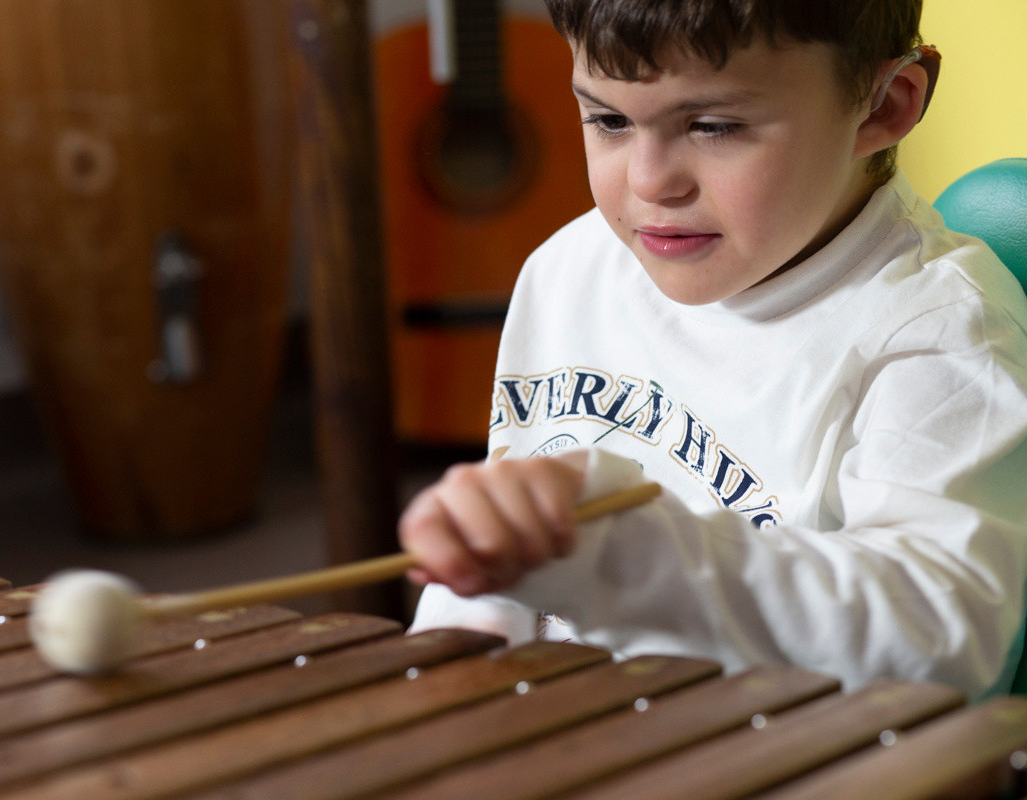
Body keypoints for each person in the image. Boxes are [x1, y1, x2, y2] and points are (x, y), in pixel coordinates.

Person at [398, 0, 1027, 700]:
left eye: (713, 125)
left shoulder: (940, 334)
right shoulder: (569, 268)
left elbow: (941, 646)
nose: (648, 182)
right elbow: (510, 580)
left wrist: (630, 555)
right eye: (609, 120)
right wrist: (467, 611)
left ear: (884, 107)